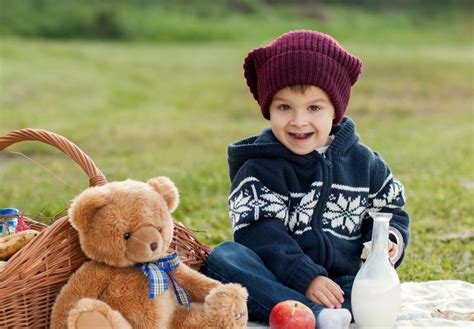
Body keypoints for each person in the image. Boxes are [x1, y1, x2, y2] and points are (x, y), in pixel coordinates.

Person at [202, 30, 410, 329]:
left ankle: (332, 312)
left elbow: (391, 213)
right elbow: (259, 233)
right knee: (224, 258)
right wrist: (306, 277)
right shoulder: (259, 168)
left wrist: (387, 242)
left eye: (314, 107)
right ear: (268, 109)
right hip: (279, 277)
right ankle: (313, 314)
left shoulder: (365, 163)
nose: (299, 121)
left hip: (343, 284)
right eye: (284, 107)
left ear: (335, 110)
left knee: (372, 293)